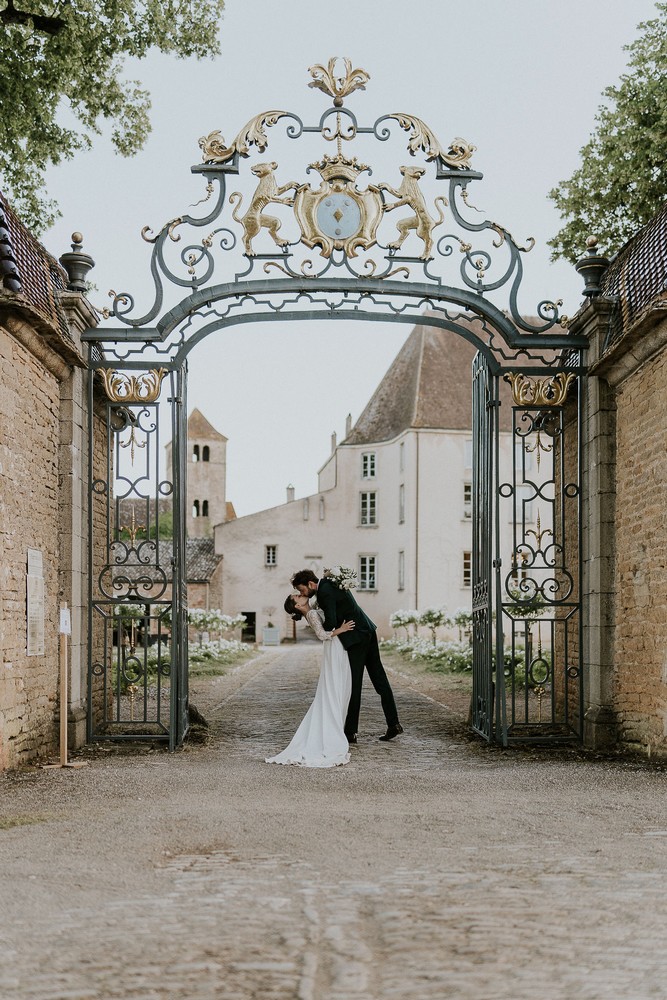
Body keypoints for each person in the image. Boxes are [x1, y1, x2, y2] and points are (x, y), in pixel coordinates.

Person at [291, 569, 403, 744]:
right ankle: (393, 723)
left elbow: (331, 623)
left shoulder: (325, 592)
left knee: (354, 684)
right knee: (379, 677)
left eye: (302, 589)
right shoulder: (330, 582)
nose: (301, 593)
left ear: (311, 584)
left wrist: (325, 622)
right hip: (367, 630)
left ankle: (350, 732)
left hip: (355, 638)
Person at [264, 594, 356, 768]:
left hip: (334, 646)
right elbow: (321, 635)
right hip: (333, 643)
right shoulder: (311, 614)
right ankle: (332, 733)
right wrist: (341, 629)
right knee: (337, 683)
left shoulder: (312, 609)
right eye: (297, 596)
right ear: (297, 605)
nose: (300, 595)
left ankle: (333, 728)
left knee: (336, 685)